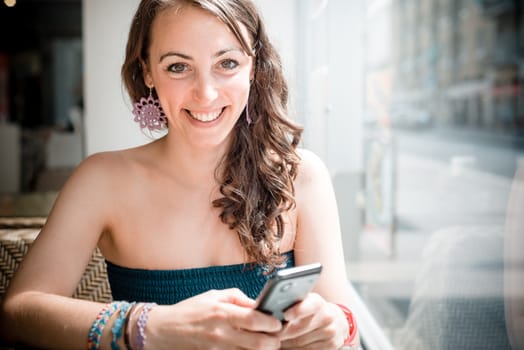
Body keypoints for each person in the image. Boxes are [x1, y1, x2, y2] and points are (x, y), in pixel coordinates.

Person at [0, 0, 359, 349]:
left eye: (227, 63)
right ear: (147, 72)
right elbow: (16, 313)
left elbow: (347, 329)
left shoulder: (301, 176)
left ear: (253, 68)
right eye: (177, 67)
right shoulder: (103, 180)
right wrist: (153, 326)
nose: (205, 93)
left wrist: (336, 325)